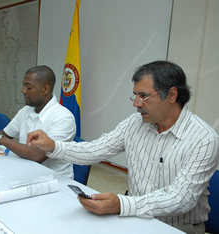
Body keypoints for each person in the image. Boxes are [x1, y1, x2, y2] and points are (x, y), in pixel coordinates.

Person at [26, 61, 219, 233]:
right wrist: (54, 146)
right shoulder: (135, 123)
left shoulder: (203, 139)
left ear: (172, 94)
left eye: (143, 96)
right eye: (135, 95)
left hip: (178, 227)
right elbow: (96, 150)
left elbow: (180, 198)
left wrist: (122, 204)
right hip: (135, 217)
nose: (136, 104)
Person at [0, 65, 76, 178]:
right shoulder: (25, 111)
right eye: (24, 86)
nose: (23, 91)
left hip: (54, 180)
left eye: (28, 87)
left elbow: (38, 155)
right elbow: (5, 133)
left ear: (45, 89)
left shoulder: (63, 118)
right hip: (26, 172)